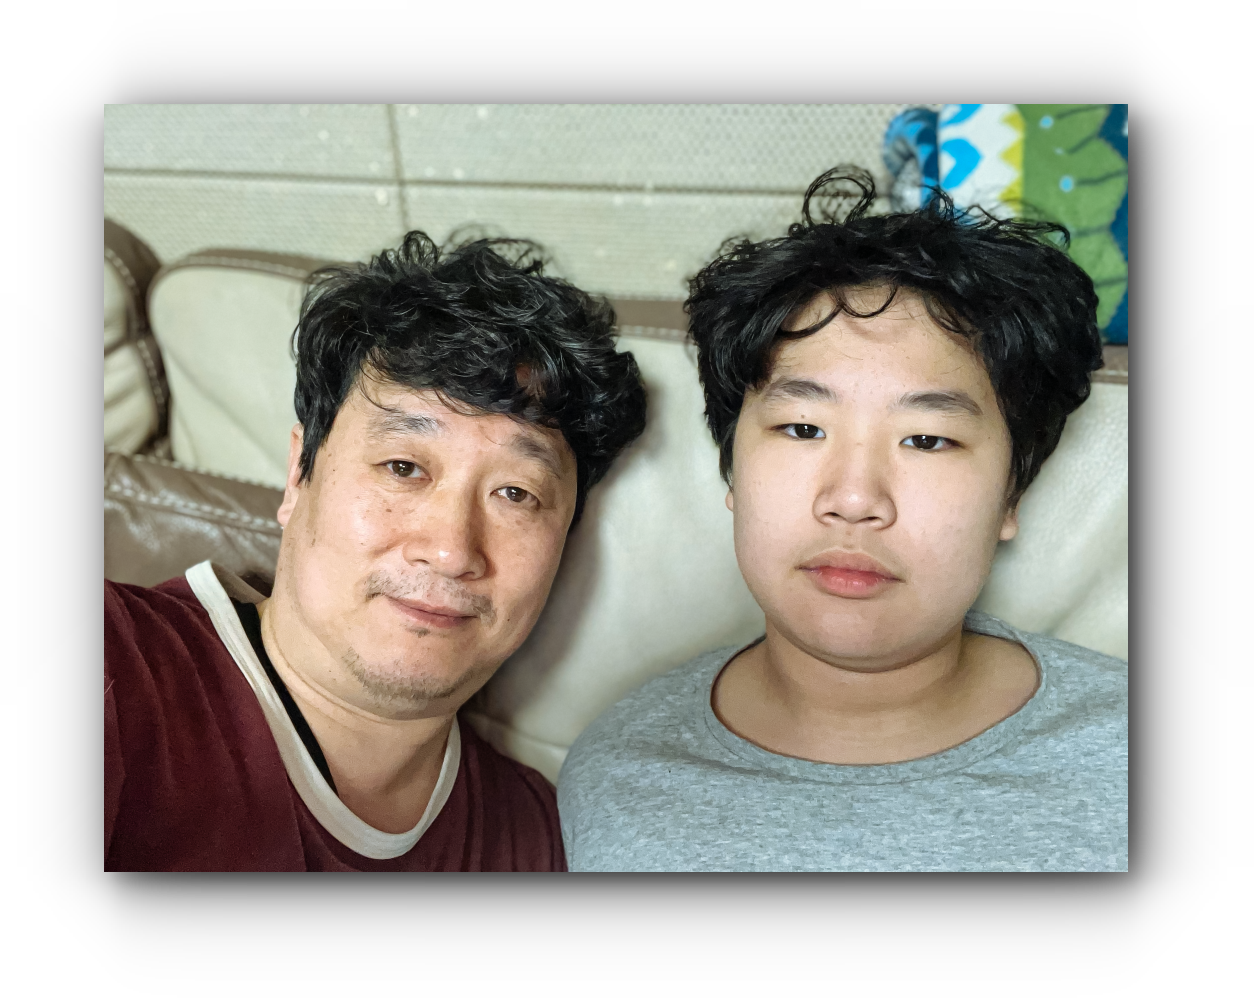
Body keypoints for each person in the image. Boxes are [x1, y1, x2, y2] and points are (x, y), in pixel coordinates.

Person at [559, 169, 1127, 871]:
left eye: (927, 440)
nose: (854, 498)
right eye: (803, 428)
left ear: (1011, 494)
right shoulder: (618, 779)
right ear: (733, 471)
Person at [104, 233, 646, 871]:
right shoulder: (123, 669)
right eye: (403, 466)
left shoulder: (538, 836)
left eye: (515, 493)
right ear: (298, 477)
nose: (450, 551)